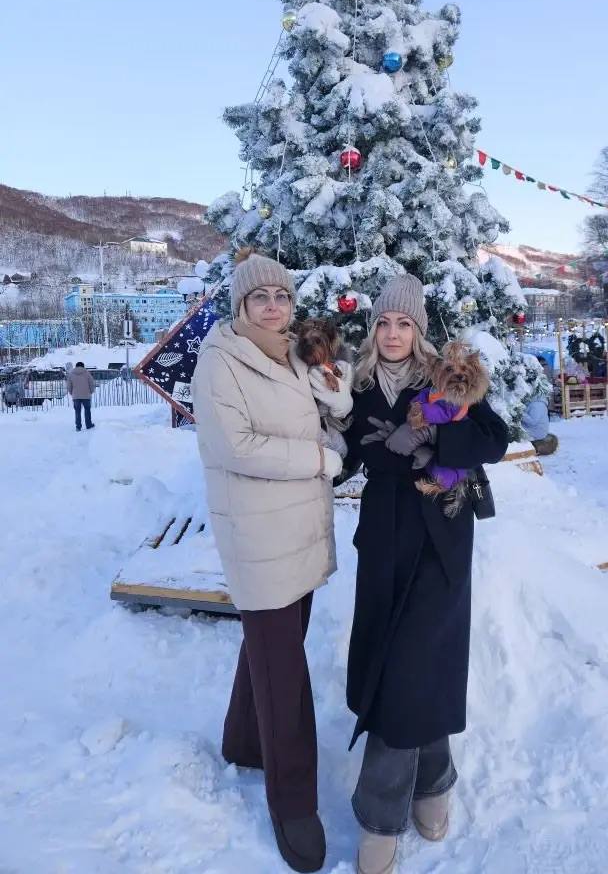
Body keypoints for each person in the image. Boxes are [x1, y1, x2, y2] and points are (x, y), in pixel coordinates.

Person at [191, 250, 353, 874]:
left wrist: (335, 406)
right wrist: (318, 460)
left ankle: (243, 741)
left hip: (301, 530)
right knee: (284, 675)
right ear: (241, 305)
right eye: (260, 297)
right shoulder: (221, 361)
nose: (273, 306)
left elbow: (322, 418)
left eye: (282, 296)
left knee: (272, 648)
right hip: (258, 536)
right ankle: (293, 804)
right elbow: (236, 446)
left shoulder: (292, 354)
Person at [342, 275, 509, 874]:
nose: (393, 334)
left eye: (404, 324)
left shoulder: (444, 377)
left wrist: (434, 431)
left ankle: (380, 814)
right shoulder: (356, 384)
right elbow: (347, 454)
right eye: (384, 323)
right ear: (373, 329)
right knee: (401, 665)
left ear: (419, 330)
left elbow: (494, 439)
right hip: (384, 540)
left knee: (416, 664)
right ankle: (434, 778)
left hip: (441, 537)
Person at [66, 361, 96, 431]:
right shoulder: (87, 373)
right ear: (83, 366)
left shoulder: (71, 374)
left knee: (77, 411)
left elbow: (69, 386)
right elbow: (91, 383)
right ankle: (88, 425)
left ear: (76, 366)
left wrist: (72, 393)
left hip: (76, 396)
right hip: (86, 395)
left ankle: (78, 427)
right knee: (87, 410)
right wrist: (91, 391)